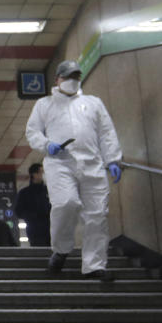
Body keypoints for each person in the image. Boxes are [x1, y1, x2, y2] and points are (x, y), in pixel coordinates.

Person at [25, 60, 122, 280]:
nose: (72, 81)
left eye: (76, 77)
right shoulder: (44, 104)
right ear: (57, 79)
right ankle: (61, 250)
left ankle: (94, 265)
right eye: (68, 77)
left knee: (97, 215)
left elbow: (106, 133)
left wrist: (113, 159)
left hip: (92, 164)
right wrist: (46, 145)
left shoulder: (93, 103)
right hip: (60, 164)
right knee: (66, 204)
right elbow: (33, 132)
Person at [15, 163, 51, 246]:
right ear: (34, 174)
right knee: (39, 250)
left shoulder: (49, 191)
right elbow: (18, 211)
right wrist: (32, 217)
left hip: (50, 227)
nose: (43, 175)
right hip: (34, 228)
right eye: (41, 172)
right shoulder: (25, 193)